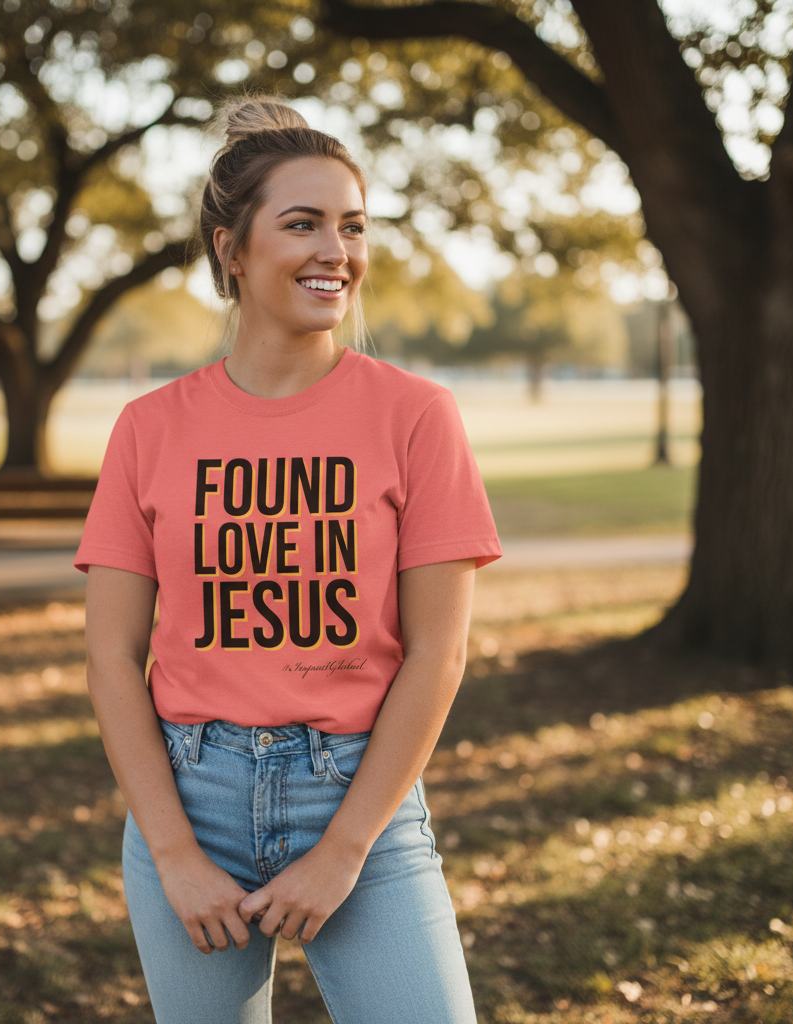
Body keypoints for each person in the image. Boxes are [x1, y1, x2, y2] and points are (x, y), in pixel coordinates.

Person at [75, 96, 501, 1024]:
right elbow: (112, 657)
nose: (336, 251)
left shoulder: (416, 415)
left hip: (363, 807)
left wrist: (345, 847)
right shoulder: (151, 429)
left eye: (352, 226)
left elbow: (440, 654)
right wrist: (178, 855)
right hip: (190, 803)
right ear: (230, 248)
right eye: (302, 223)